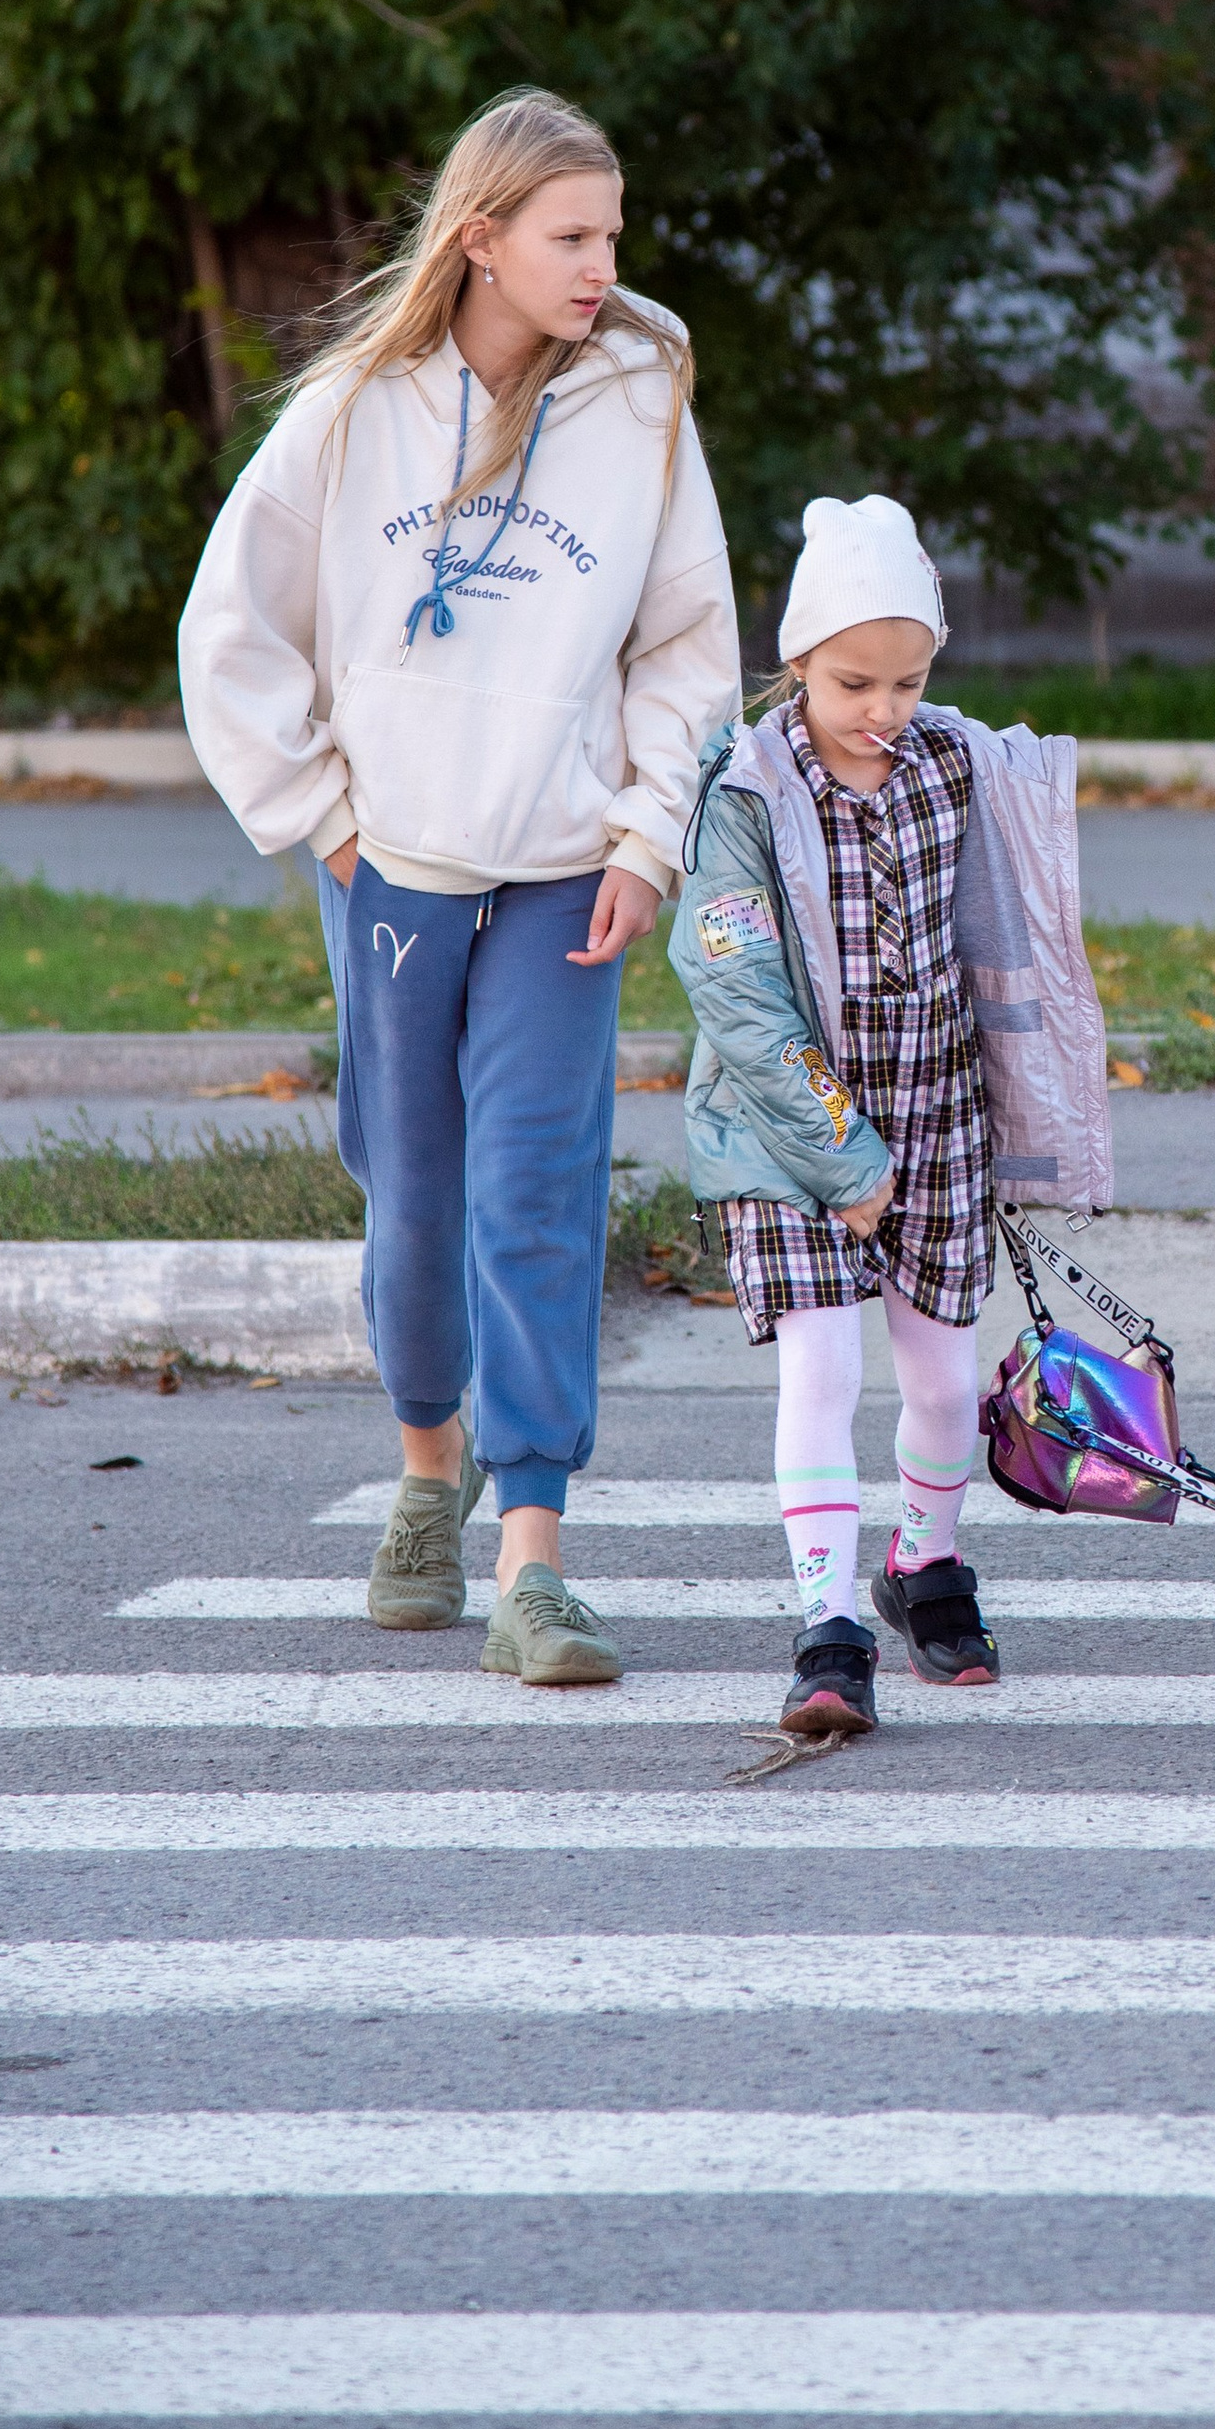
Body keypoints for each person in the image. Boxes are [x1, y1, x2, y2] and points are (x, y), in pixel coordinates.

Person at [179, 88, 738, 1686]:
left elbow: (687, 641)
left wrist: (645, 838)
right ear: (479, 239)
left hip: (570, 879)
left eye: (613, 234)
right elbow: (233, 627)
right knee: (414, 1196)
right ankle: (430, 1474)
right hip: (397, 878)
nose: (600, 266)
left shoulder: (637, 392)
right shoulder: (358, 409)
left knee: (540, 1203)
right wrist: (321, 822)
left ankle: (535, 1560)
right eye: (572, 236)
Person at [673, 492, 1111, 1740]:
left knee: (942, 1374)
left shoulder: (956, 762)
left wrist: (1035, 1112)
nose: (880, 710)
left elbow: (1023, 920)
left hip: (934, 1109)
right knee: (824, 1364)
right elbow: (736, 988)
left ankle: (922, 1565)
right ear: (797, 660)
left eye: (907, 680)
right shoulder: (746, 791)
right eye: (852, 681)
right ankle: (827, 1626)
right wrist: (840, 1154)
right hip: (786, 1124)